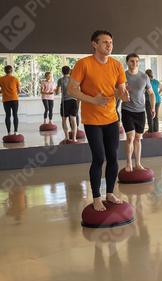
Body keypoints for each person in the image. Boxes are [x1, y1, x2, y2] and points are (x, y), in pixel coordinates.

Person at [68, 30, 130, 211]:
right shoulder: (83, 64)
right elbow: (72, 90)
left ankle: (110, 193)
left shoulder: (116, 65)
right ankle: (96, 197)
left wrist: (123, 95)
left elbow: (120, 90)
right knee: (99, 157)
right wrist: (92, 100)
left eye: (110, 42)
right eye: (104, 42)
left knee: (112, 157)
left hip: (111, 118)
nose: (109, 45)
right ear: (94, 44)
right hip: (92, 120)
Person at [121, 53, 155, 171]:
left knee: (138, 138)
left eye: (136, 61)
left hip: (140, 112)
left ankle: (138, 163)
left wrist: (152, 107)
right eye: (132, 61)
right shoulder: (123, 76)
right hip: (127, 110)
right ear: (127, 62)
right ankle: (129, 163)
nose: (134, 63)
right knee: (130, 137)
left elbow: (151, 94)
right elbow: (116, 93)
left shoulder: (144, 77)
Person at [56, 66, 79, 142]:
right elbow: (78, 91)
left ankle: (66, 137)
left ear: (62, 72)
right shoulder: (74, 79)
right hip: (73, 101)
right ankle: (74, 138)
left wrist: (56, 91)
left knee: (64, 119)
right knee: (73, 119)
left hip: (65, 102)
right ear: (69, 72)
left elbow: (57, 92)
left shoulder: (60, 80)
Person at [0, 65, 21, 135]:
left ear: (4, 71)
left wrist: (3, 91)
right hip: (14, 99)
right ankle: (16, 131)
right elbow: (19, 91)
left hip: (6, 100)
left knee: (7, 115)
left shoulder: (1, 79)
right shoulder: (15, 78)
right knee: (15, 115)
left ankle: (9, 132)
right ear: (11, 71)